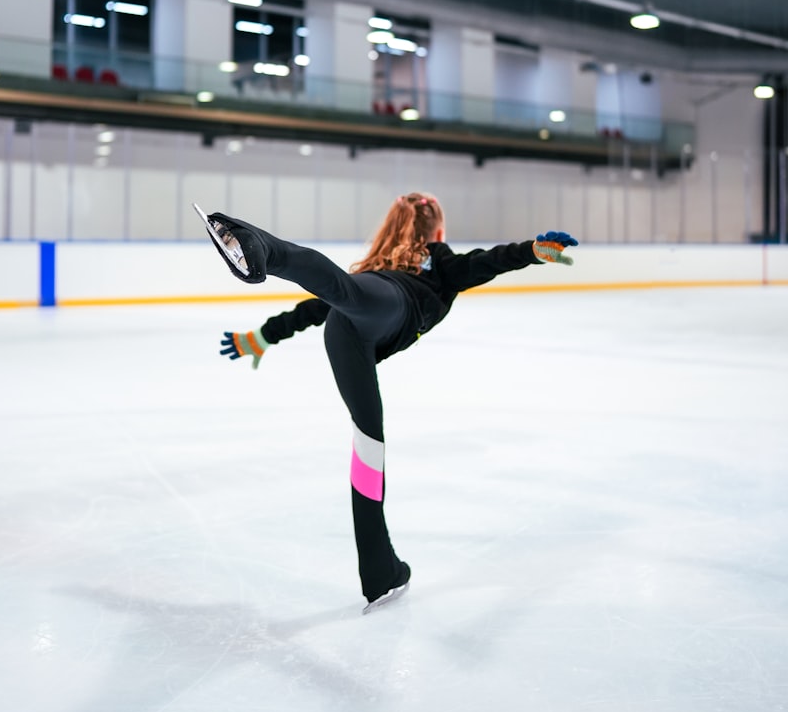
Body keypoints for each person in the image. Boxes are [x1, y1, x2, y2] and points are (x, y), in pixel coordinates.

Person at [199, 194, 578, 613]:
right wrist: (532, 252)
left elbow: (316, 309)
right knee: (367, 437)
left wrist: (261, 337)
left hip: (345, 333)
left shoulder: (378, 265)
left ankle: (382, 573)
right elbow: (485, 262)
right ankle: (260, 247)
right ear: (436, 230)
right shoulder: (439, 262)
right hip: (389, 309)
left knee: (343, 300)